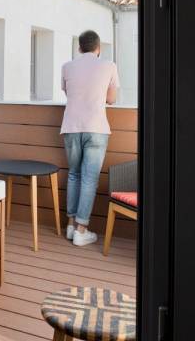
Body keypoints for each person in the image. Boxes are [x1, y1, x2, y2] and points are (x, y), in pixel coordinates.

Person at [61, 30, 119, 246]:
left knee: (74, 175)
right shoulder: (108, 65)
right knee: (89, 179)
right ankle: (81, 230)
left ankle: (70, 226)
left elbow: (70, 94)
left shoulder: (67, 66)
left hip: (71, 127)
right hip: (96, 128)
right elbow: (112, 99)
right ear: (98, 48)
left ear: (79, 48)